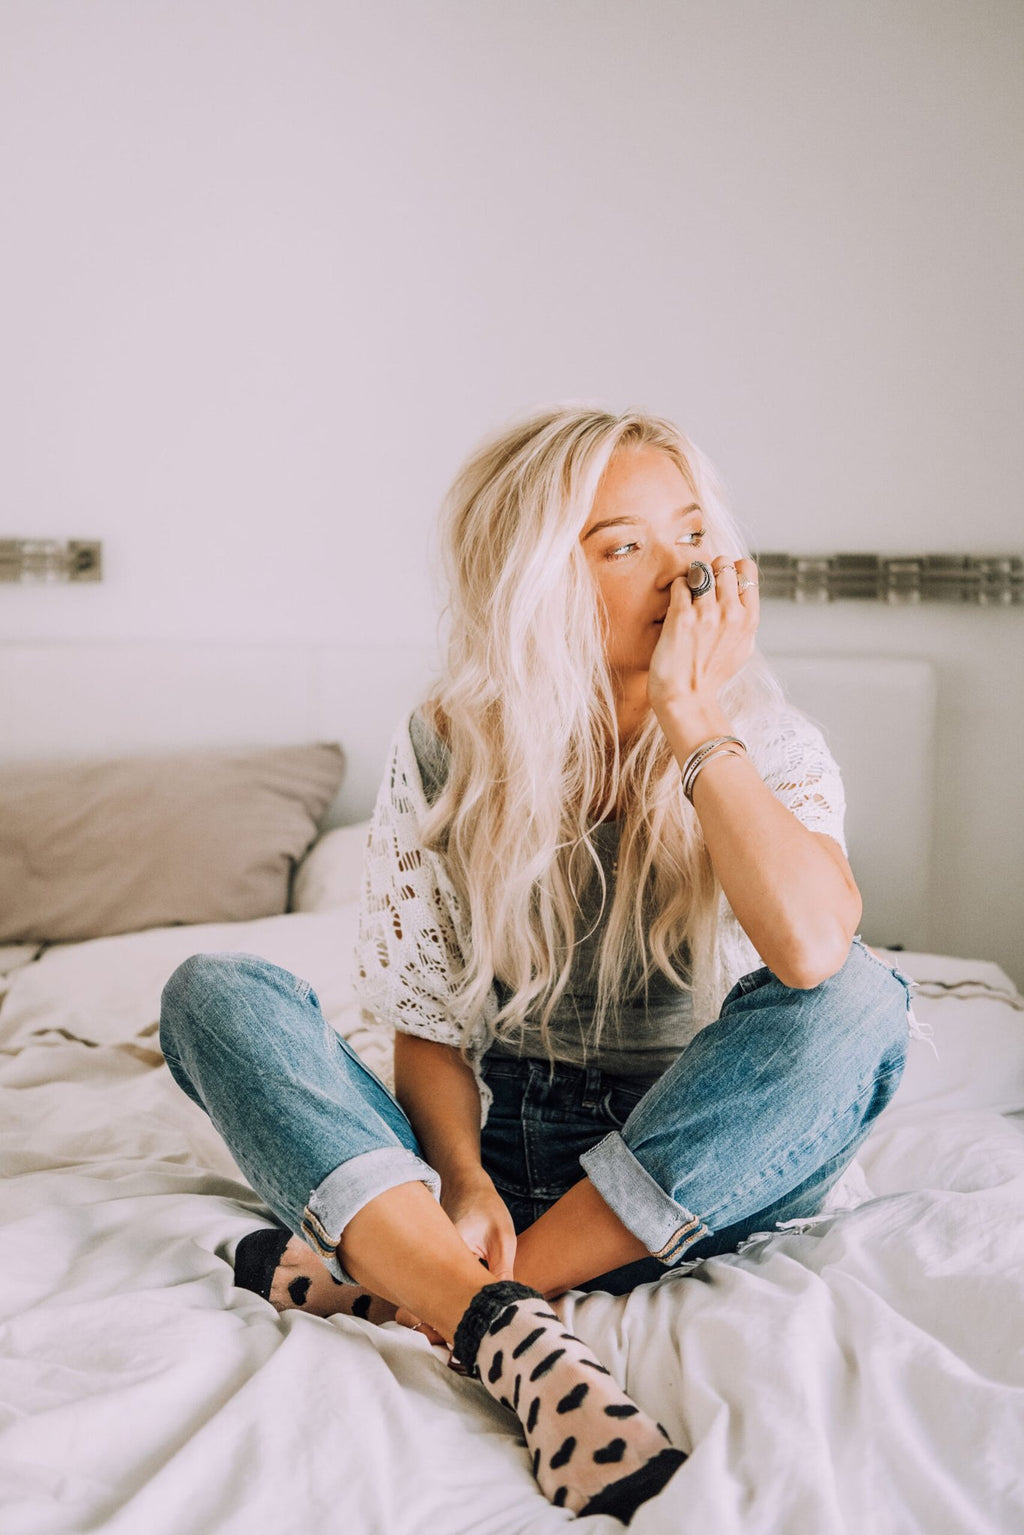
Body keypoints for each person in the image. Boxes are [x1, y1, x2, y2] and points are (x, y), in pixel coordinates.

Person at [159, 404, 914, 1524]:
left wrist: (691, 718)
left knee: (861, 996)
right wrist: (463, 1182)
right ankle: (493, 1311)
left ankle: (434, 1290)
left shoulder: (766, 743)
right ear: (539, 581)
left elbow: (809, 949)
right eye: (625, 545)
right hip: (500, 1157)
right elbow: (428, 1022)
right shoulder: (452, 744)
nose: (684, 572)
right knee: (213, 996)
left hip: (698, 1164)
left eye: (693, 533)